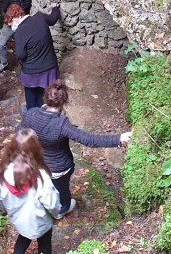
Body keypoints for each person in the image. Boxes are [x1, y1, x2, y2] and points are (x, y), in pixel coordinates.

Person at [19, 83, 131, 216]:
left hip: (36, 164)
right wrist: (119, 138)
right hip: (58, 168)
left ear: (45, 99)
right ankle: (61, 210)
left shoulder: (31, 114)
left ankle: (42, 204)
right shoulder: (62, 125)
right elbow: (89, 139)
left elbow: (19, 132)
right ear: (63, 103)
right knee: (62, 190)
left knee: (42, 184)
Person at [0, 129, 62, 254]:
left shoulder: (1, 172)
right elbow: (52, 203)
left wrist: (3, 211)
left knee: (24, 235)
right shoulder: (40, 176)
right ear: (36, 150)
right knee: (45, 243)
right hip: (40, 221)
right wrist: (56, 214)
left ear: (11, 148)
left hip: (18, 219)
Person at [8, 4, 62, 110]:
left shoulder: (20, 31)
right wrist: (55, 8)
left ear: (15, 17)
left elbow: (21, 54)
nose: (11, 26)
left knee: (31, 95)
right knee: (45, 95)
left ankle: (32, 114)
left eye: (11, 23)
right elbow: (53, 19)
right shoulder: (40, 17)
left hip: (31, 72)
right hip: (49, 68)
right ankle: (44, 114)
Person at [0, 0, 32, 74]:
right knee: (0, 45)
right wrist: (8, 19)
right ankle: (4, 63)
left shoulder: (28, 1)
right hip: (8, 25)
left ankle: (24, 63)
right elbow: (3, 10)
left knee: (21, 45)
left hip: (21, 26)